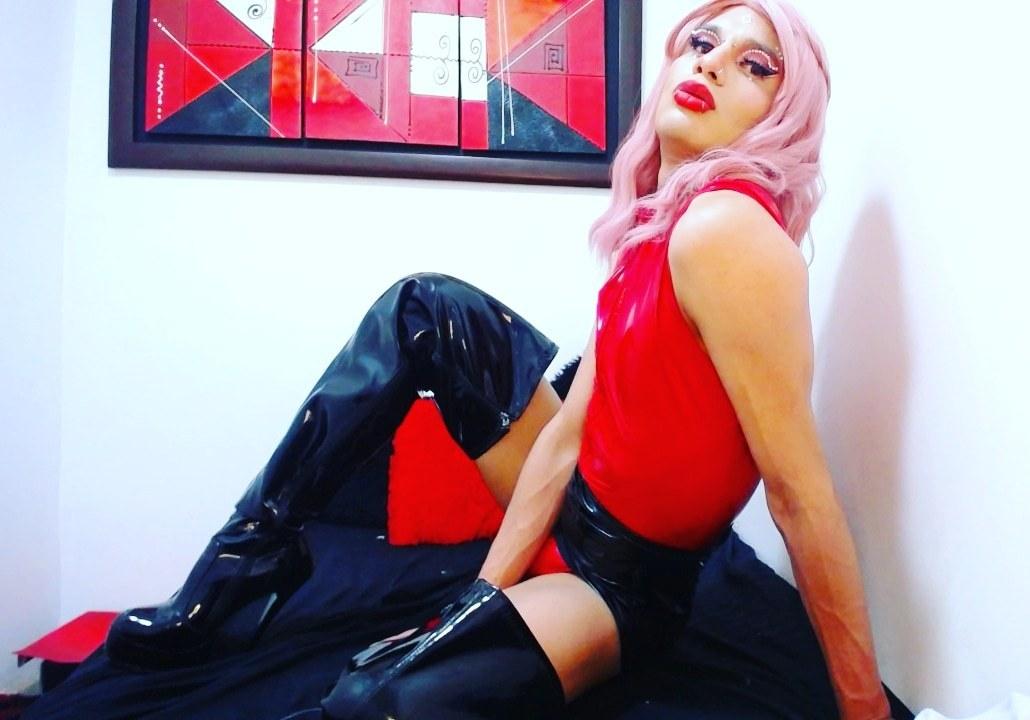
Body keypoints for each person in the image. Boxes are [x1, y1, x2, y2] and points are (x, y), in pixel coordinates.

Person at [94, 0, 892, 718]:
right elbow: (570, 434)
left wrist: (864, 710)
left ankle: (249, 573)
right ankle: (249, 562)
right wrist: (481, 594)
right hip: (571, 504)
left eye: (756, 65)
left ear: (784, 115)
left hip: (617, 581)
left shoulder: (729, 230)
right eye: (702, 42)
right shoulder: (659, 231)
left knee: (379, 699)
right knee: (426, 309)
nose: (711, 63)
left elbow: (799, 494)